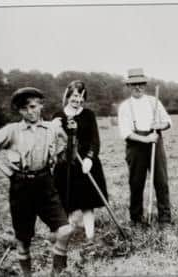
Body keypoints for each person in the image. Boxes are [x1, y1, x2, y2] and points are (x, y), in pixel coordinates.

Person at [0, 87, 73, 276]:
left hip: (46, 185)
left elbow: (64, 142)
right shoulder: (12, 131)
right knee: (23, 241)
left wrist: (55, 158)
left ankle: (56, 273)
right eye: (25, 109)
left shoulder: (52, 128)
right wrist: (4, 168)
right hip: (21, 187)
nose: (30, 112)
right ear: (19, 111)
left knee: (65, 230)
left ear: (41, 105)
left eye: (34, 106)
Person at [53, 80, 109, 240]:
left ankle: (90, 235)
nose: (77, 100)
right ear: (68, 96)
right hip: (66, 164)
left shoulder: (89, 114)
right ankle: (69, 234)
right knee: (68, 200)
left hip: (85, 163)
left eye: (81, 97)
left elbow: (95, 140)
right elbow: (54, 141)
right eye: (74, 96)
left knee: (87, 202)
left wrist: (90, 158)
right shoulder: (58, 116)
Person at [118, 68, 172, 227]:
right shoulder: (125, 107)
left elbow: (168, 122)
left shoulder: (153, 101)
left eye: (141, 84)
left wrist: (159, 125)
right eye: (134, 84)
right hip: (136, 146)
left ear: (145, 84)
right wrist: (145, 139)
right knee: (136, 183)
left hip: (155, 141)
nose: (138, 87)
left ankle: (165, 218)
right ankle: (136, 218)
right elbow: (126, 133)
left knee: (161, 182)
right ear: (129, 86)